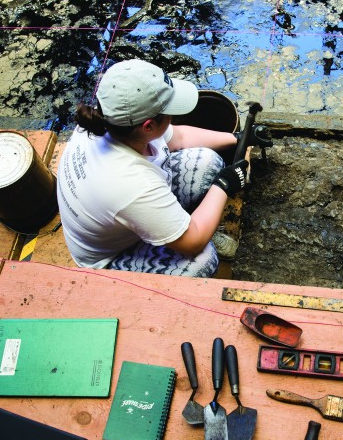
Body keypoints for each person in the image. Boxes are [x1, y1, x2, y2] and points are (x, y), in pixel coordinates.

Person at [57, 59, 269, 277]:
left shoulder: (110, 120)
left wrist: (239, 137)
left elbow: (180, 137)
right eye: (169, 112)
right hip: (112, 256)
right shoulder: (130, 184)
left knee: (208, 161)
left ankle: (172, 226)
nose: (173, 116)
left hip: (123, 213)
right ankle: (174, 232)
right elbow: (193, 242)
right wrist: (224, 185)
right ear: (148, 126)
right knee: (202, 261)